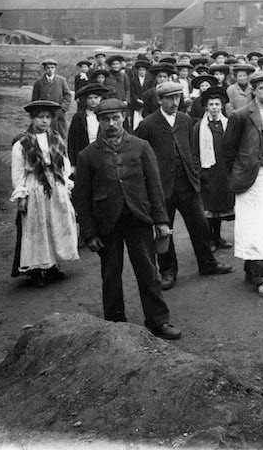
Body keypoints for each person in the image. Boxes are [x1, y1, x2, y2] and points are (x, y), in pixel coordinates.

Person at [72, 98, 181, 340]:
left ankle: (158, 321)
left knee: (148, 271)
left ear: (124, 117)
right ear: (98, 121)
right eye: (105, 119)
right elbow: (82, 198)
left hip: (138, 218)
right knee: (110, 275)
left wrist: (161, 221)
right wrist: (89, 233)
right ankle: (115, 323)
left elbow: (154, 186)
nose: (111, 123)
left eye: (115, 118)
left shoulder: (140, 146)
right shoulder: (88, 155)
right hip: (106, 223)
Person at [134, 82, 233, 290]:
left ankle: (207, 263)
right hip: (162, 188)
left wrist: (195, 174)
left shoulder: (185, 120)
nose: (174, 102)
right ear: (160, 100)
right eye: (169, 98)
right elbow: (138, 155)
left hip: (188, 184)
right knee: (164, 230)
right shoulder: (148, 124)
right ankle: (168, 271)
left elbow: (191, 148)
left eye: (177, 97)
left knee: (200, 225)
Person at [222, 71, 263, 297]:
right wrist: (239, 173)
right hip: (251, 178)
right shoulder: (241, 115)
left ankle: (254, 271)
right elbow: (228, 150)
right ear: (254, 91)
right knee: (255, 225)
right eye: (262, 88)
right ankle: (261, 277)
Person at [10, 100, 79, 288]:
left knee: (56, 223)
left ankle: (52, 266)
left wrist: (65, 184)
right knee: (37, 227)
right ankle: (36, 269)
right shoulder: (22, 143)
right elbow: (18, 172)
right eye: (41, 117)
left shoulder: (56, 138)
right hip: (35, 186)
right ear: (33, 119)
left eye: (48, 117)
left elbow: (64, 163)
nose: (45, 121)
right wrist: (22, 195)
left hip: (55, 185)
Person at [192, 86, 234, 250]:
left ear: (222, 106)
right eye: (211, 105)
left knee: (220, 207)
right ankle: (208, 238)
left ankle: (217, 237)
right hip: (207, 172)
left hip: (223, 171)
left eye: (217, 104)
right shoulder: (199, 128)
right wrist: (199, 172)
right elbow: (194, 151)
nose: (214, 108)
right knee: (208, 208)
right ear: (206, 107)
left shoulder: (227, 124)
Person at [68, 83, 110, 169]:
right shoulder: (79, 117)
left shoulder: (106, 116)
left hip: (103, 157)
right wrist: (73, 163)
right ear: (85, 100)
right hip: (84, 156)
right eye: (90, 98)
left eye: (96, 98)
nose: (93, 100)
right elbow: (72, 141)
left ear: (101, 98)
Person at [31, 58, 72, 138]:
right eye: (48, 68)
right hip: (44, 112)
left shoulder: (61, 80)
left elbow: (67, 95)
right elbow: (34, 99)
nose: (50, 70)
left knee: (59, 134)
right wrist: (37, 112)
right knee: (43, 134)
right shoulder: (39, 82)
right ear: (44, 69)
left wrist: (63, 109)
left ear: (55, 69)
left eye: (52, 68)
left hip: (58, 112)